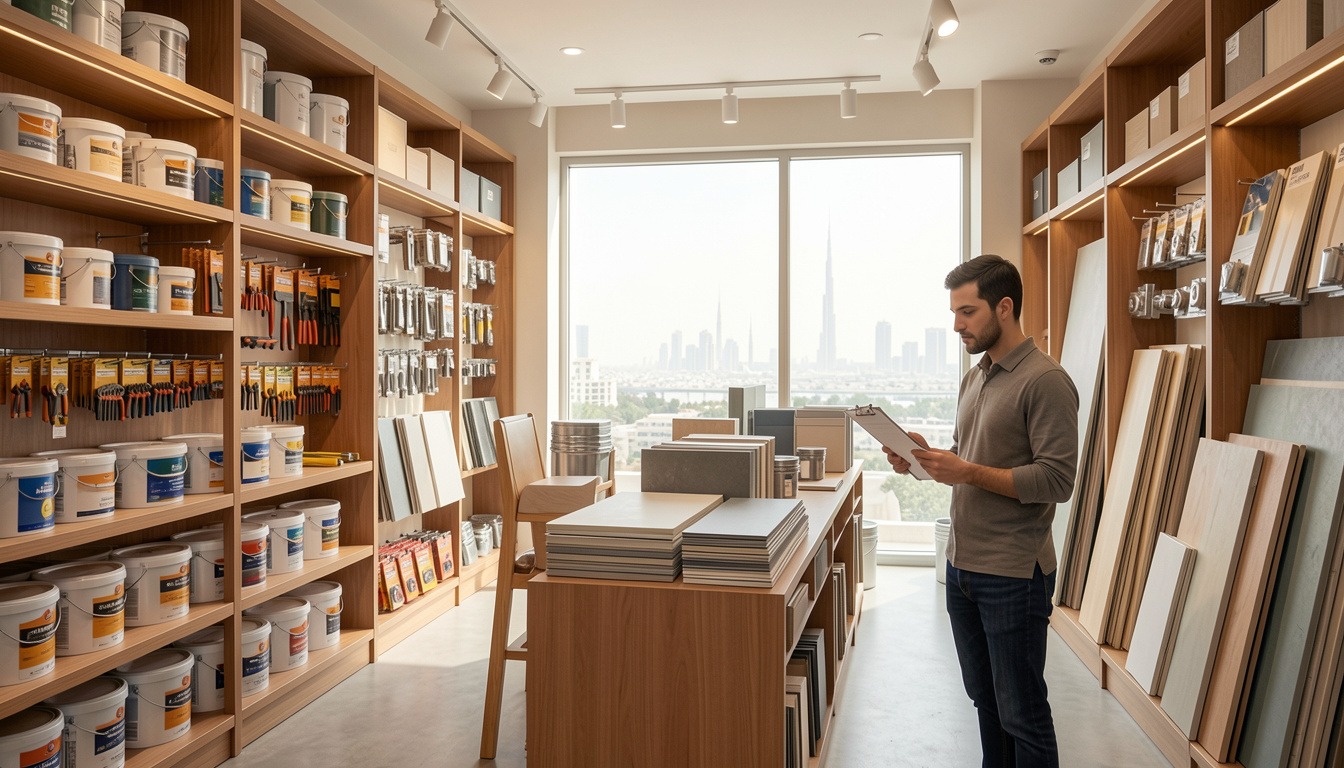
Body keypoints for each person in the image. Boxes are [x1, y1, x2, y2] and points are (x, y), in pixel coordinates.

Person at [885, 254, 1078, 767]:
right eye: (954, 312)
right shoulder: (977, 377)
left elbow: (1057, 480)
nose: (956, 325)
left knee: (1023, 716)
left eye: (967, 312)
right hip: (963, 567)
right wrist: (919, 460)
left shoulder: (1046, 381)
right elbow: (970, 462)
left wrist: (966, 471)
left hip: (1013, 573)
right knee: (986, 704)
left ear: (1005, 307)